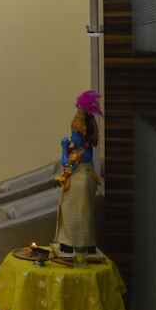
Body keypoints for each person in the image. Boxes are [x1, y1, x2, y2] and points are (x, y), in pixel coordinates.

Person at [54, 90, 103, 256]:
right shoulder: (82, 149)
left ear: (81, 135)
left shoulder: (82, 152)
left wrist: (63, 149)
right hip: (81, 184)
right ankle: (79, 245)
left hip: (80, 186)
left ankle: (72, 244)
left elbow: (67, 164)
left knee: (76, 215)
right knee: (80, 215)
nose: (71, 137)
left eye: (73, 134)